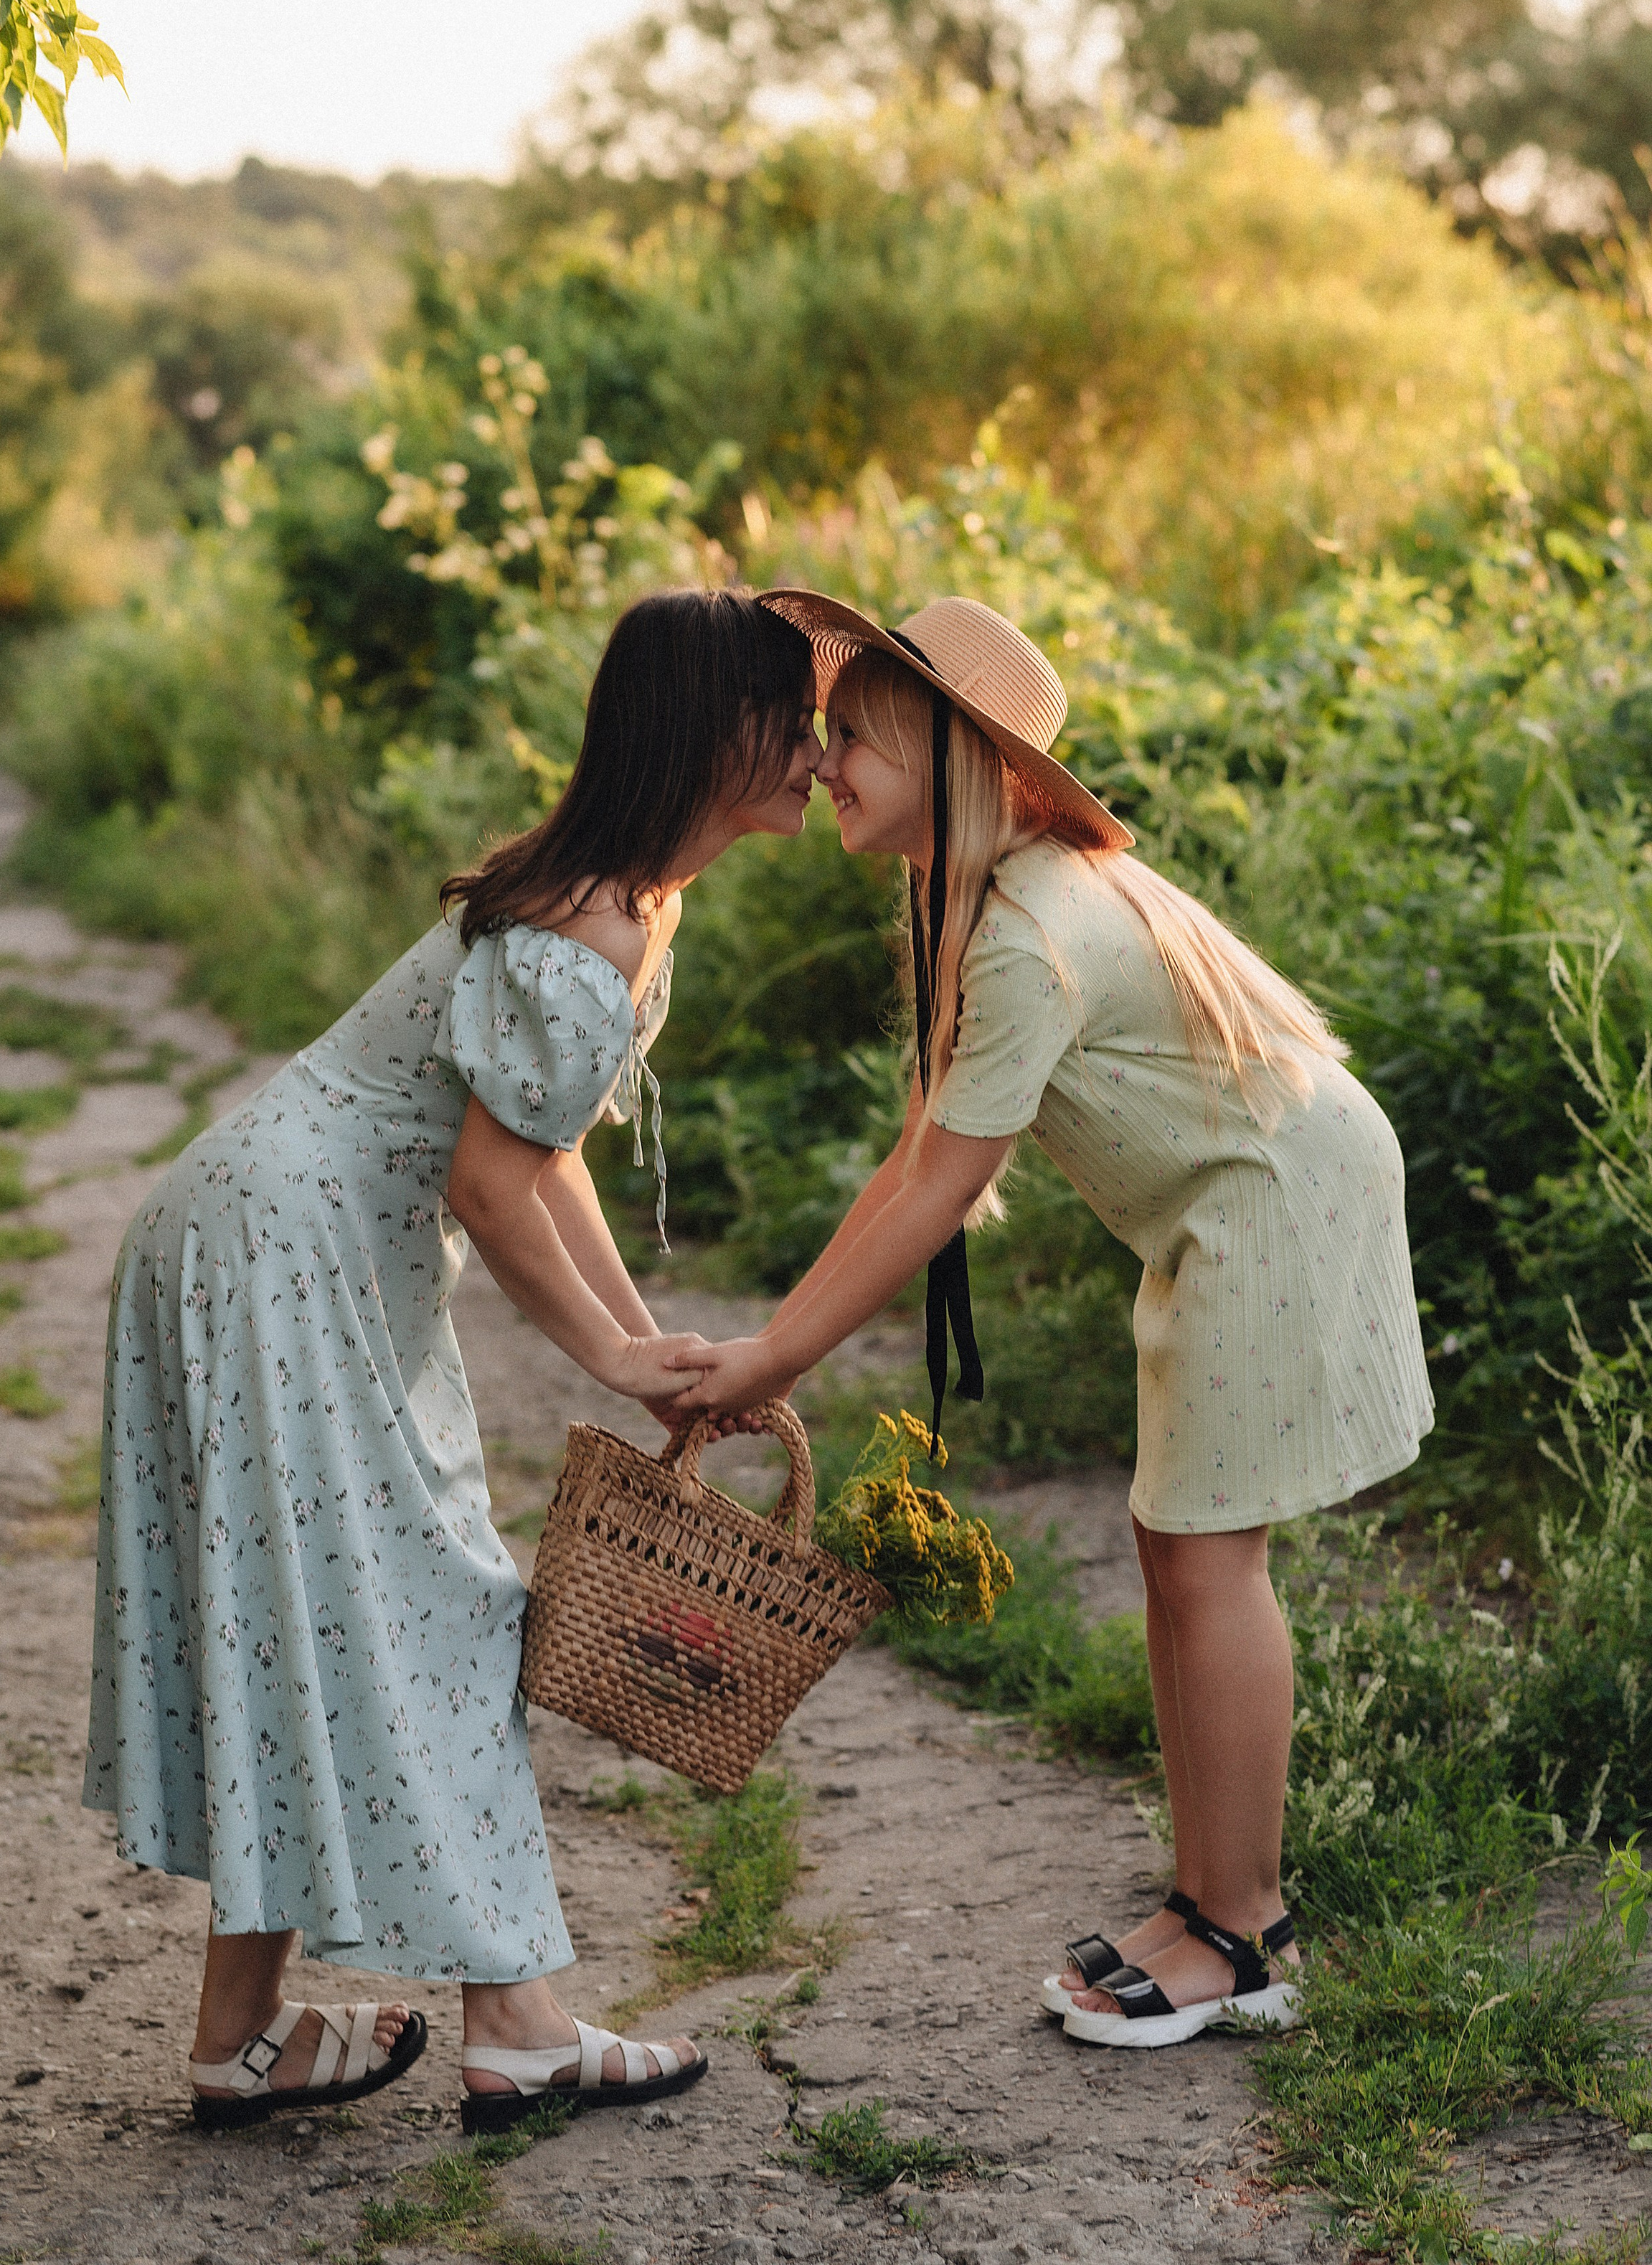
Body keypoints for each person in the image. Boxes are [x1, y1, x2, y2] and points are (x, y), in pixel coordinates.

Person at [655, 591, 1433, 2053]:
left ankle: (1243, 1929)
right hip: (1245, 1197)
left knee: (1208, 1559)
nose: (824, 764)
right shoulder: (1000, 896)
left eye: (852, 738)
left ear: (952, 759)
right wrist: (772, 1333)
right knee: (1177, 1544)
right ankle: (1209, 1899)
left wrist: (769, 1353)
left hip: (1269, 1202)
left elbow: (935, 1191)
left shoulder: (1024, 929)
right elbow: (917, 1159)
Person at [84, 588, 820, 2130]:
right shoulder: (591, 925)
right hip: (287, 1255)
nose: (821, 754)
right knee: (437, 1612)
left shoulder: (625, 898)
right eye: (799, 719)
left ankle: (241, 2035)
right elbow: (489, 1187)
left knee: (318, 1614)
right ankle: (522, 2023)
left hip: (261, 1234)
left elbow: (542, 1160)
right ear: (718, 730)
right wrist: (622, 1360)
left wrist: (645, 1342)